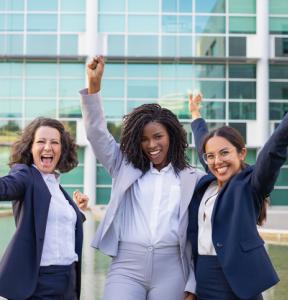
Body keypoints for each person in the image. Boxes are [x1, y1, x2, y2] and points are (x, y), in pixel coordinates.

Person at [79, 56, 205, 300]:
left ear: (172, 136)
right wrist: (94, 87)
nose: (151, 145)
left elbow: (201, 233)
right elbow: (96, 133)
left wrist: (193, 282)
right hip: (127, 266)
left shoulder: (193, 178)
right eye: (144, 139)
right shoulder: (123, 165)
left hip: (173, 268)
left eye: (158, 136)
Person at [187, 93, 288, 299]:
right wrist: (195, 114)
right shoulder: (210, 183)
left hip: (238, 282)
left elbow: (274, 150)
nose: (217, 161)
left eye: (224, 153)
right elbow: (203, 140)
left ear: (242, 153)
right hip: (203, 278)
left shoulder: (251, 184)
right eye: (210, 156)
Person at [0, 117, 88, 299]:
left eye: (54, 142)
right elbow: (5, 187)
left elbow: (54, 223)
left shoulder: (56, 187)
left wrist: (78, 213)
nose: (48, 147)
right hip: (39, 283)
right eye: (41, 141)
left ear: (61, 150)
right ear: (30, 148)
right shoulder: (26, 175)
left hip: (69, 282)